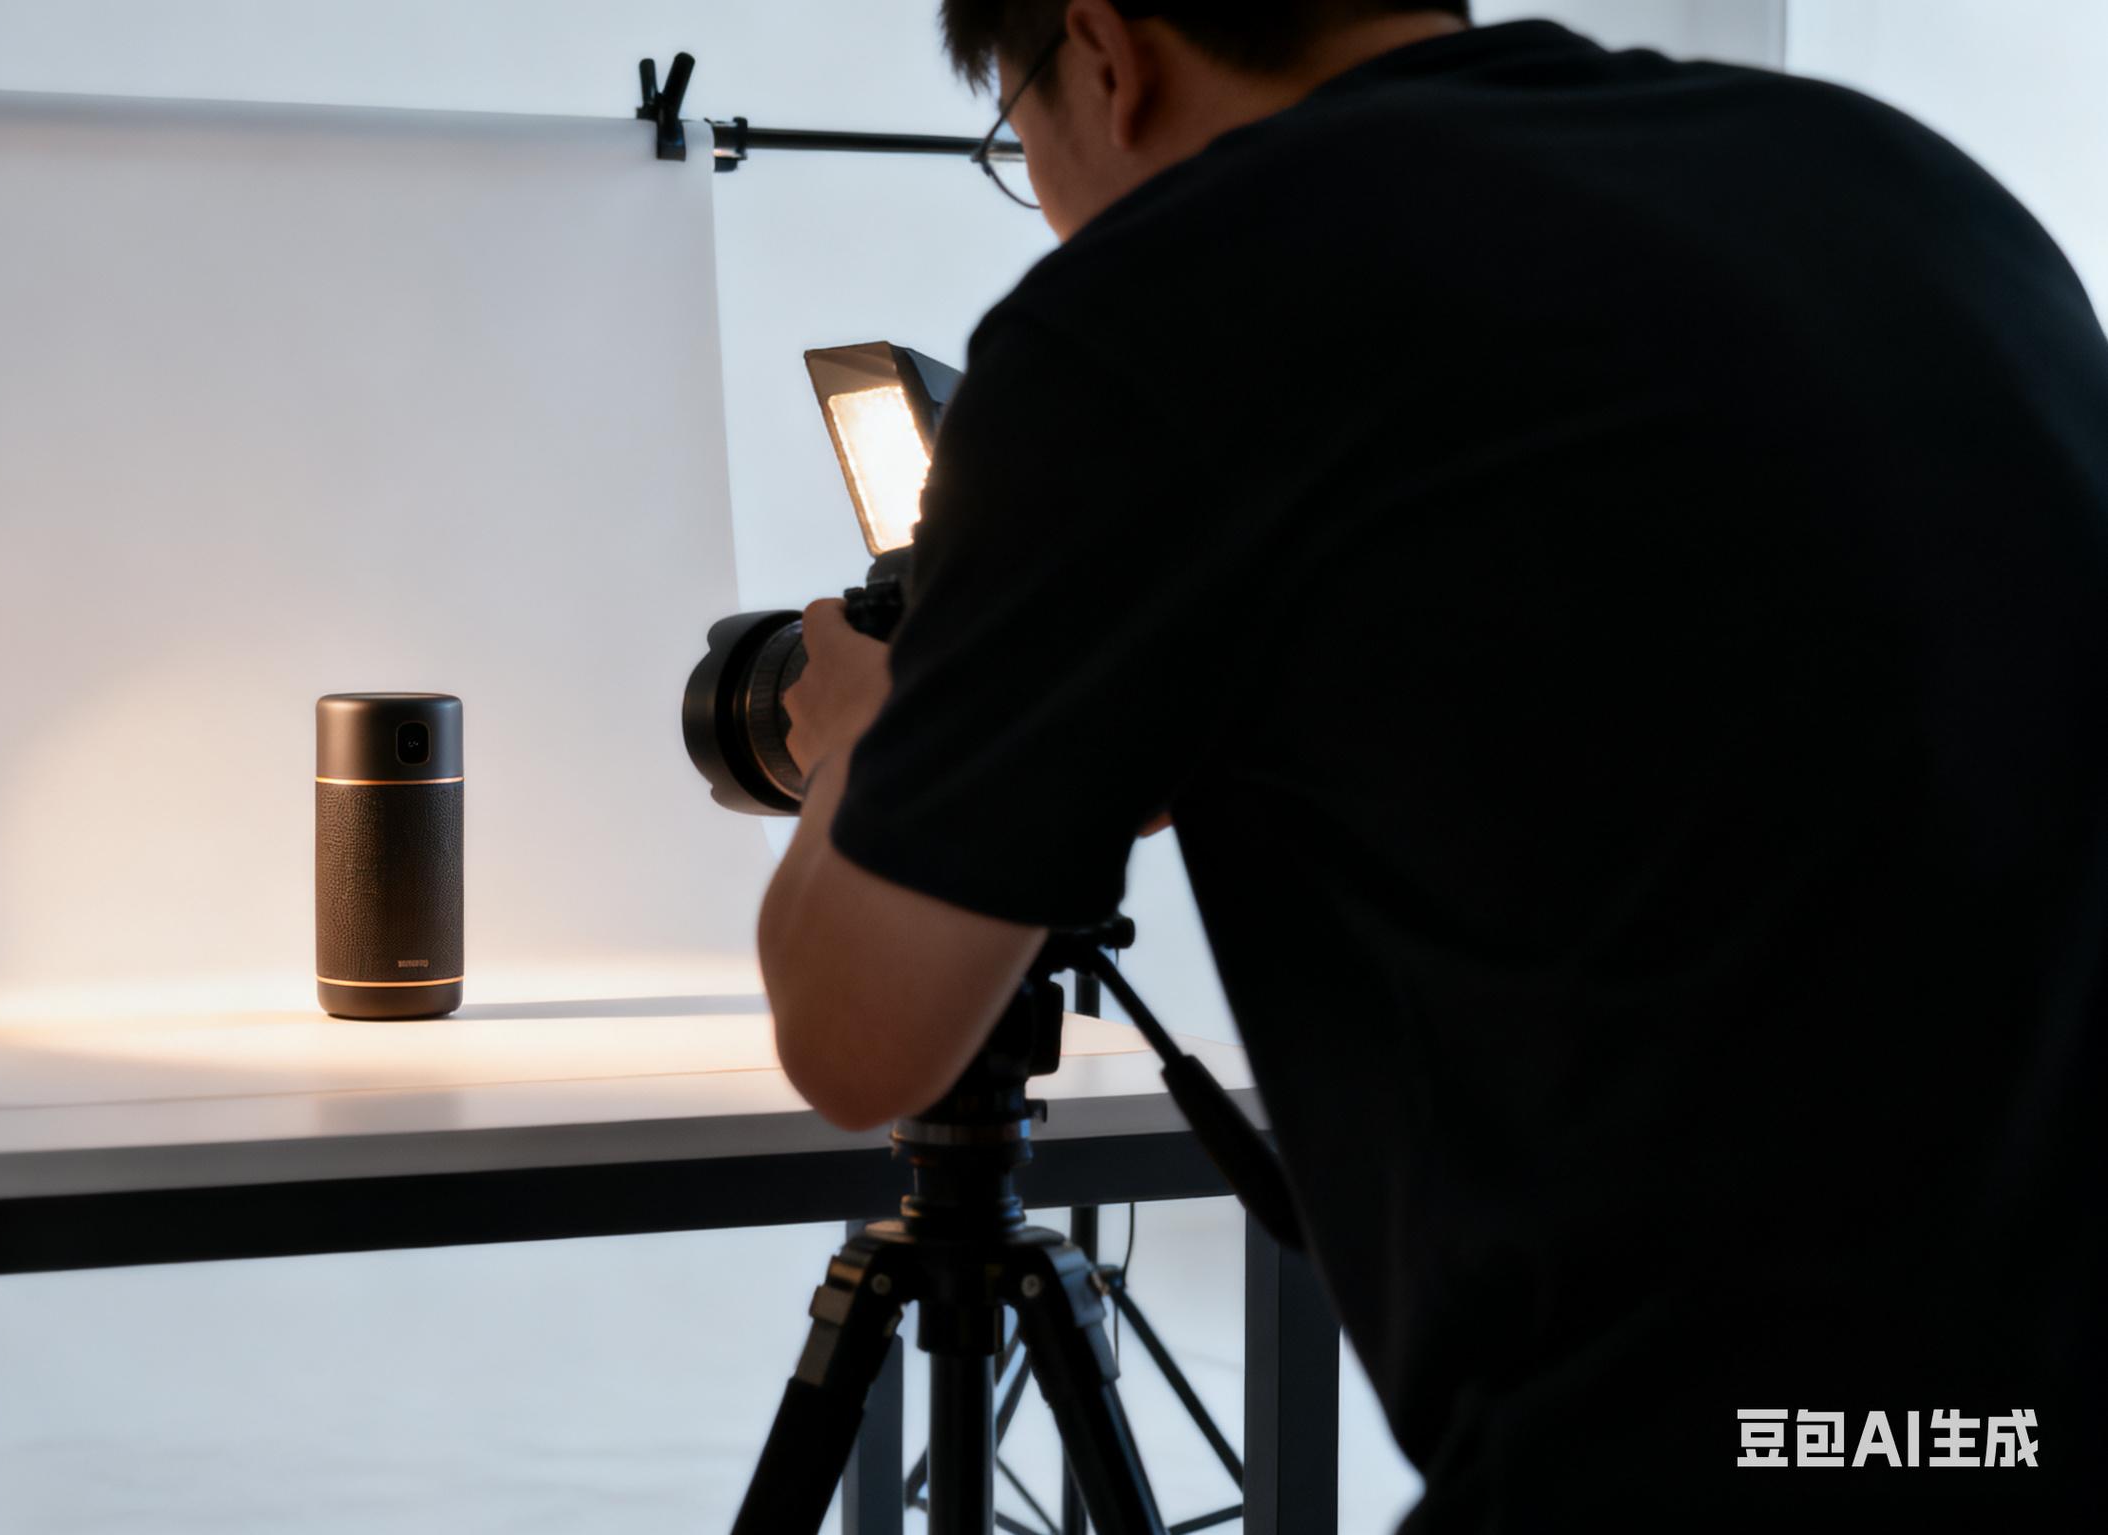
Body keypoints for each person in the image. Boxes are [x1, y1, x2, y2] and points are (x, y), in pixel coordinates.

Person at [755, 1, 2107, 1528]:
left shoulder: (1173, 298)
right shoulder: (1890, 182)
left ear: (1106, 56)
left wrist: (875, 725)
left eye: (1017, 139)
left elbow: (857, 1039)